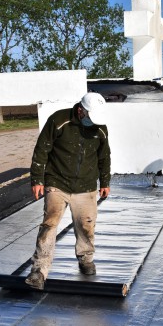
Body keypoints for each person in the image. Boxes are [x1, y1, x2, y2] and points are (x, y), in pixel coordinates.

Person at [25, 92, 111, 290]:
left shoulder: (100, 128)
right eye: (90, 116)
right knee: (49, 224)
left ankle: (85, 259)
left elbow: (104, 156)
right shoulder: (59, 120)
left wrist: (105, 182)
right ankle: (39, 270)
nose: (93, 121)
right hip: (57, 182)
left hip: (86, 185)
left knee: (86, 225)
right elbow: (41, 150)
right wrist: (37, 179)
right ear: (81, 110)